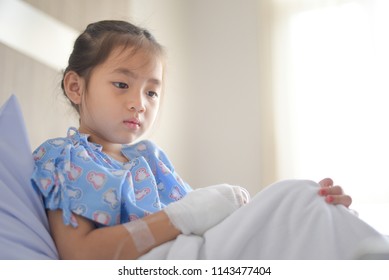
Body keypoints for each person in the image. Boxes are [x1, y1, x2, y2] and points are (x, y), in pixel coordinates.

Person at [31, 20, 368, 260]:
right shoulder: (66, 158)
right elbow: (81, 257)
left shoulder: (148, 156)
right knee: (294, 197)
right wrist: (178, 219)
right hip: (160, 264)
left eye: (151, 91)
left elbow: (204, 219)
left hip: (195, 249)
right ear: (75, 86)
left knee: (308, 202)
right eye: (122, 85)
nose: (139, 103)